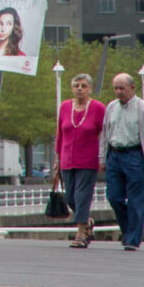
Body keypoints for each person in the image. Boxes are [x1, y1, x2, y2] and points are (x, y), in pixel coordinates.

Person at [102, 70, 144, 251]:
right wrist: (102, 158)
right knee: (114, 196)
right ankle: (129, 229)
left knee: (137, 200)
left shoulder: (143, 108)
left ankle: (132, 239)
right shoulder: (111, 107)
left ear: (132, 87)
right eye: (115, 88)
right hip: (114, 155)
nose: (118, 92)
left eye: (122, 88)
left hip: (135, 156)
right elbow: (105, 134)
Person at [55, 69, 107, 249]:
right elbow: (60, 133)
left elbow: (105, 134)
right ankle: (87, 222)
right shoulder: (65, 107)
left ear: (90, 89)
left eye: (83, 86)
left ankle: (80, 234)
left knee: (82, 196)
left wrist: (103, 157)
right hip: (67, 159)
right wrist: (57, 158)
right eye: (76, 86)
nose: (79, 89)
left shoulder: (98, 108)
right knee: (70, 197)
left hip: (88, 160)